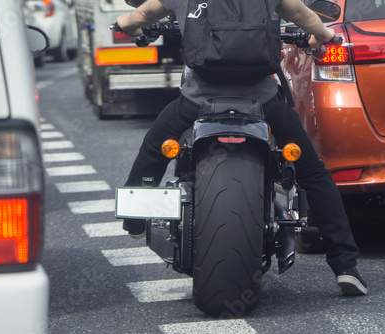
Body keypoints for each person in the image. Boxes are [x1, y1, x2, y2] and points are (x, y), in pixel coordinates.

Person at [116, 0, 368, 296]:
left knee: (152, 150)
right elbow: (302, 14)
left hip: (198, 100)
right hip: (262, 101)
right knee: (312, 172)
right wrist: (322, 37)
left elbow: (143, 14)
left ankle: (134, 221)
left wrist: (126, 24)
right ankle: (345, 266)